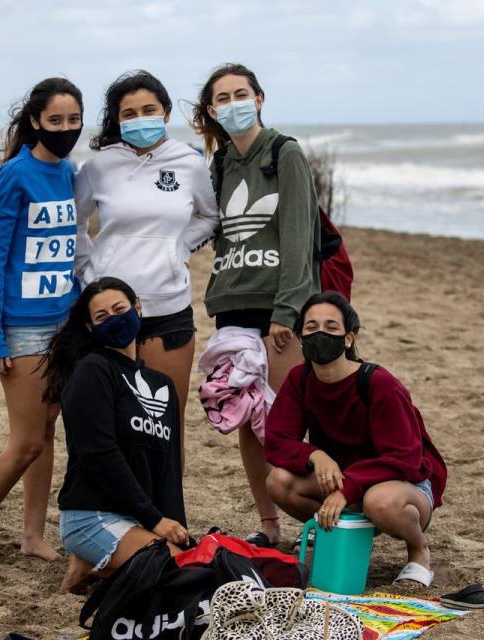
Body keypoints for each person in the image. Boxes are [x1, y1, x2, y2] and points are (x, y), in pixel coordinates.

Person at [0, 77, 85, 562]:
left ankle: (32, 536)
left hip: (65, 325)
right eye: (55, 121)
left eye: (73, 121)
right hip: (22, 328)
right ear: (34, 122)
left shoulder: (68, 171)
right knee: (26, 440)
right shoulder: (15, 175)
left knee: (48, 432)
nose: (65, 129)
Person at [191, 63, 320, 547]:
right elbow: (212, 231)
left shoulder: (285, 153)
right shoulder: (220, 164)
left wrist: (288, 311)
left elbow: (297, 233)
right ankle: (269, 525)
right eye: (221, 98)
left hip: (279, 308)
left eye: (240, 94)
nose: (232, 105)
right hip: (232, 305)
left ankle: (316, 521)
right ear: (211, 110)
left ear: (260, 98)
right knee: (248, 418)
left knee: (291, 419)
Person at [74, 71, 219, 459]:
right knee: (115, 421)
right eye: (129, 113)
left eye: (149, 110)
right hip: (108, 312)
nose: (140, 118)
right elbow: (74, 222)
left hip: (167, 308)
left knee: (165, 424)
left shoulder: (189, 163)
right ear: (118, 120)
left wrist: (179, 249)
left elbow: (209, 217)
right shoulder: (98, 166)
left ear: (166, 112)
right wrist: (91, 274)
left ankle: (168, 514)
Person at [264, 292, 448, 587]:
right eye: (311, 328)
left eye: (331, 327)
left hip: (403, 485)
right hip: (344, 480)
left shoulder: (378, 382)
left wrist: (348, 488)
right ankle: (338, 530)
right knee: (278, 481)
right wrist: (316, 455)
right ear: (300, 337)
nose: (320, 333)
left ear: (349, 338)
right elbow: (276, 440)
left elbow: (406, 459)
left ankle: (418, 550)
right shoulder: (300, 379)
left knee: (380, 502)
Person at [41, 277, 188, 591]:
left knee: (190, 563)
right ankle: (94, 559)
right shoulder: (93, 371)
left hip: (142, 518)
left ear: (137, 307)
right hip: (93, 514)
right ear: (90, 328)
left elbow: (168, 466)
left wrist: (174, 527)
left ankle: (91, 567)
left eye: (120, 309)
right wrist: (154, 520)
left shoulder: (162, 384)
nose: (114, 319)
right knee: (178, 575)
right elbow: (99, 454)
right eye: (102, 317)